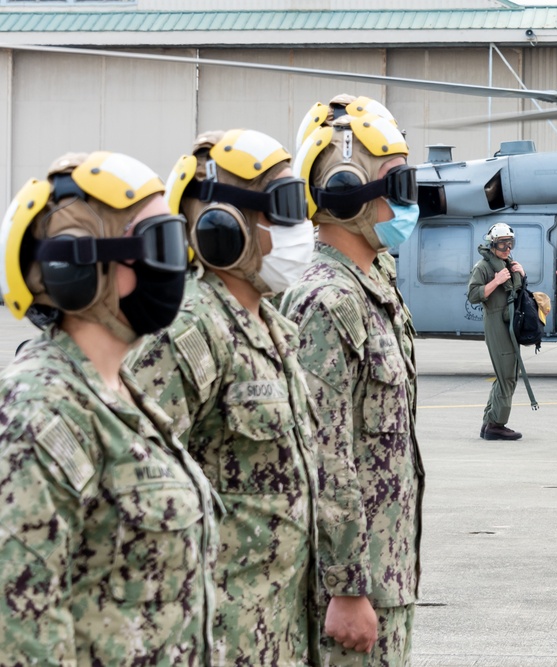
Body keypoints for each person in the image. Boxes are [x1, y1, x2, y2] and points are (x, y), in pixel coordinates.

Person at [0, 151, 218, 663]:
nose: (179, 264)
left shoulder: (122, 393)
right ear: (80, 267)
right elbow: (21, 635)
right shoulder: (40, 414)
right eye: (160, 243)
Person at [128, 129, 321, 665]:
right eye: (283, 208)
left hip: (275, 630)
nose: (300, 227)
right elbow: (136, 501)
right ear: (222, 226)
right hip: (218, 637)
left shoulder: (271, 328)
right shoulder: (187, 331)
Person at [281, 97, 425, 665]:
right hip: (354, 588)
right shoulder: (328, 302)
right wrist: (346, 587)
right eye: (399, 182)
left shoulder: (373, 286)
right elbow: (324, 455)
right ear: (346, 192)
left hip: (387, 571)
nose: (411, 199)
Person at [468, 222, 527, 440]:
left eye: (510, 243)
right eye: (503, 244)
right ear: (493, 244)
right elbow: (473, 295)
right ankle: (496, 424)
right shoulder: (484, 267)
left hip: (509, 323)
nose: (508, 249)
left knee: (508, 372)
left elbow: (516, 294)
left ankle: (490, 421)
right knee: (507, 376)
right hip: (496, 322)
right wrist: (496, 281)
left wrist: (522, 275)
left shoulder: (508, 264)